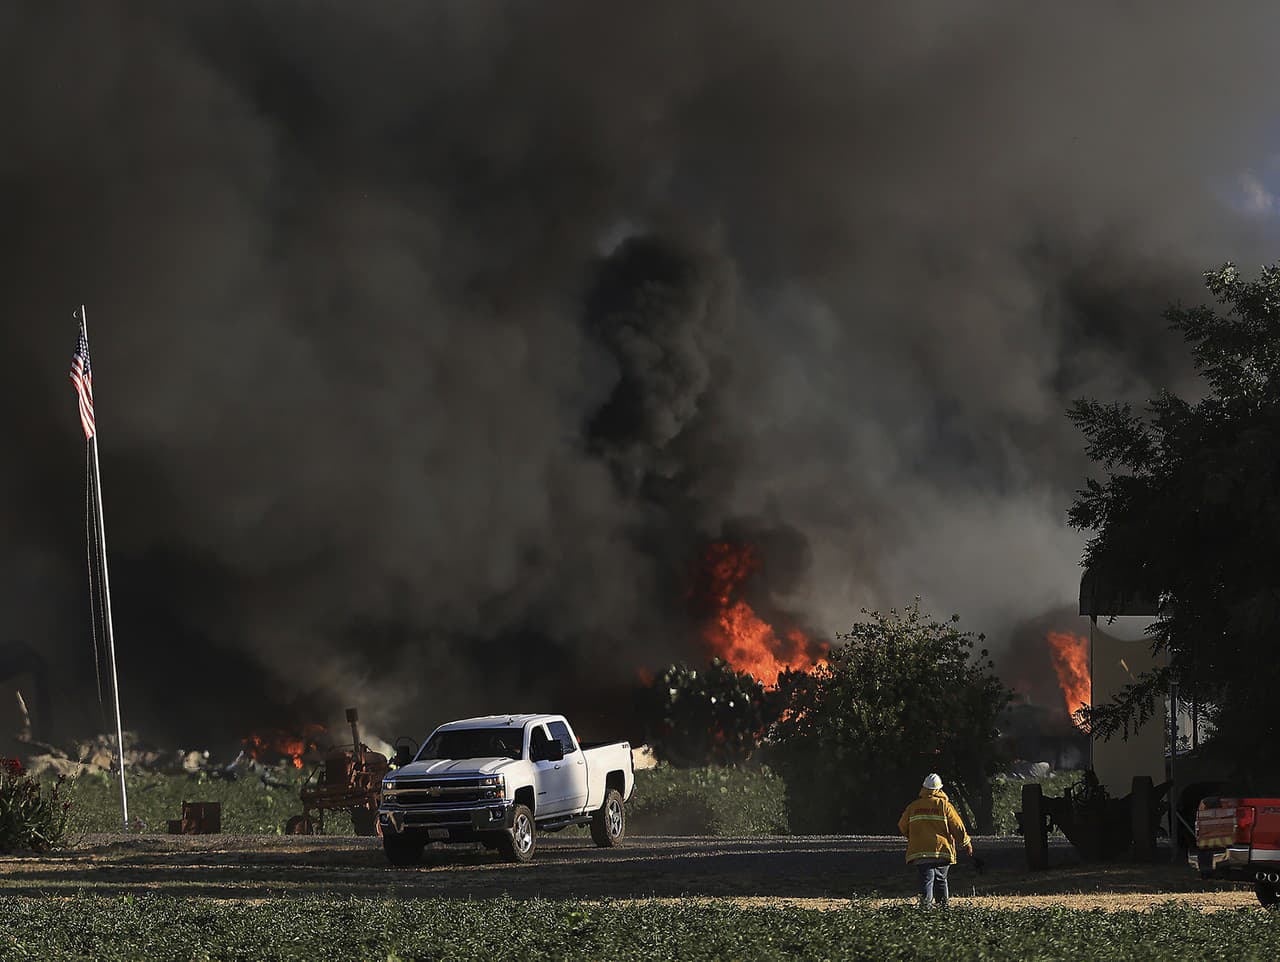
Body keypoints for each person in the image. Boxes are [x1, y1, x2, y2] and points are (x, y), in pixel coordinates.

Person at [897, 772, 973, 908]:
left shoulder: (913, 807)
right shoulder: (945, 806)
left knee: (926, 880)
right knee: (941, 880)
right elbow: (957, 826)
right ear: (939, 789)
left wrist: (914, 836)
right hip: (942, 851)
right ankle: (943, 909)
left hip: (921, 853)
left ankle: (926, 910)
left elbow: (902, 826)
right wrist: (966, 843)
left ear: (924, 788)